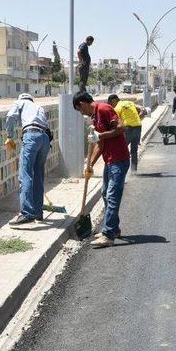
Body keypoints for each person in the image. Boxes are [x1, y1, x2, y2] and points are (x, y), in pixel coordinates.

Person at [73, 91, 130, 247]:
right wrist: (90, 163)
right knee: (105, 193)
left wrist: (100, 135)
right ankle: (114, 229)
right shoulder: (96, 116)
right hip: (110, 161)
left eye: (79, 110)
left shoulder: (104, 109)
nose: (81, 113)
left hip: (119, 159)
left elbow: (121, 128)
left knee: (112, 195)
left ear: (82, 104)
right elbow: (100, 144)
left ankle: (108, 234)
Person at [5, 93, 51, 225]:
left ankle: (26, 213)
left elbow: (10, 116)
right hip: (45, 139)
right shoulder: (38, 107)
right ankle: (38, 212)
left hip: (31, 136)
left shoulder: (20, 103)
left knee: (25, 175)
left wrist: (9, 136)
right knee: (38, 176)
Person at [107, 94, 148, 172]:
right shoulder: (129, 102)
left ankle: (120, 171)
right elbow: (140, 108)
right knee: (134, 150)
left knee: (120, 150)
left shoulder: (117, 108)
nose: (111, 106)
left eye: (111, 104)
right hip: (138, 127)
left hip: (128, 129)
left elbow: (115, 122)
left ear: (113, 101)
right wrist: (139, 115)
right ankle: (134, 171)